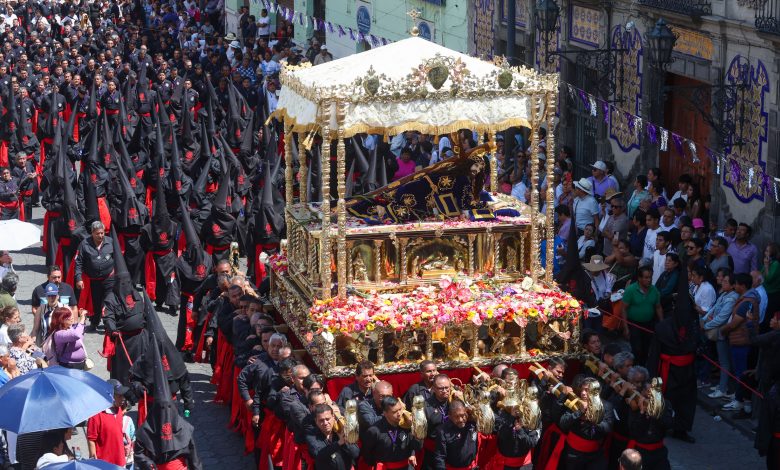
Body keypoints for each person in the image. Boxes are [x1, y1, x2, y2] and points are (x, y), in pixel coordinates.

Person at [720, 273, 759, 413]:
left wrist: (722, 330)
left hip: (741, 341)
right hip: (742, 340)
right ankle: (740, 398)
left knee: (740, 373)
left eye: (735, 283)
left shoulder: (746, 302)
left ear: (742, 286)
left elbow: (734, 323)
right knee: (740, 372)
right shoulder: (748, 299)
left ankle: (739, 400)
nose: (734, 286)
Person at [702, 270, 739, 398]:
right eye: (722, 281)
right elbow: (713, 308)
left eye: (725, 281)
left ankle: (723, 388)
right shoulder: (724, 294)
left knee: (724, 362)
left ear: (733, 285)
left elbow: (722, 317)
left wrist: (705, 325)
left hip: (722, 333)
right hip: (717, 330)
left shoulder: (732, 298)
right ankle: (724, 385)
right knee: (723, 360)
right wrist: (704, 319)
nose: (722, 283)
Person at [74, 221, 115, 329]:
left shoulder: (111, 242)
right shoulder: (84, 244)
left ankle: (108, 323)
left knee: (109, 301)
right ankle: (94, 322)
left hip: (109, 278)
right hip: (93, 279)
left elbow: (118, 258)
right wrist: (78, 278)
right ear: (92, 233)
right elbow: (78, 262)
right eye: (98, 233)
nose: (100, 235)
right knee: (96, 302)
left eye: (102, 233)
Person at [361, 397, 422, 469]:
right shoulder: (374, 431)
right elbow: (367, 454)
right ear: (385, 413)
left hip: (406, 467)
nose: (399, 414)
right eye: (394, 412)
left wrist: (415, 430)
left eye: (400, 409)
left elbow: (417, 447)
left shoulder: (407, 424)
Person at [622, 266, 662, 365]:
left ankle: (642, 367)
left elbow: (658, 307)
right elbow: (623, 309)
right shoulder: (630, 290)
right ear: (639, 278)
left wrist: (662, 323)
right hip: (634, 324)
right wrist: (625, 327)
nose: (649, 280)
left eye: (650, 277)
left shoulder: (654, 290)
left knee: (646, 347)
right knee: (637, 348)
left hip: (649, 324)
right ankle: (635, 367)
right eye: (646, 277)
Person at [88, 379, 130, 467]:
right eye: (119, 396)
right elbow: (91, 439)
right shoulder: (96, 415)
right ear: (109, 395)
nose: (123, 399)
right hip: (104, 464)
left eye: (123, 395)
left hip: (120, 461)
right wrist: (93, 459)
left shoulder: (119, 410)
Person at [305, 403, 360, 470]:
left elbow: (355, 453)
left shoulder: (341, 429)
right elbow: (319, 455)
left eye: (328, 419)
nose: (325, 423)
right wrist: (339, 443)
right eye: (321, 420)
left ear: (333, 417)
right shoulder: (311, 435)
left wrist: (346, 441)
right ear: (316, 421)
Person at [432, 400, 479, 470]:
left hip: (472, 467)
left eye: (462, 415)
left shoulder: (472, 423)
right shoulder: (442, 431)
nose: (460, 419)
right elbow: (440, 457)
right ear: (450, 416)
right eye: (456, 417)